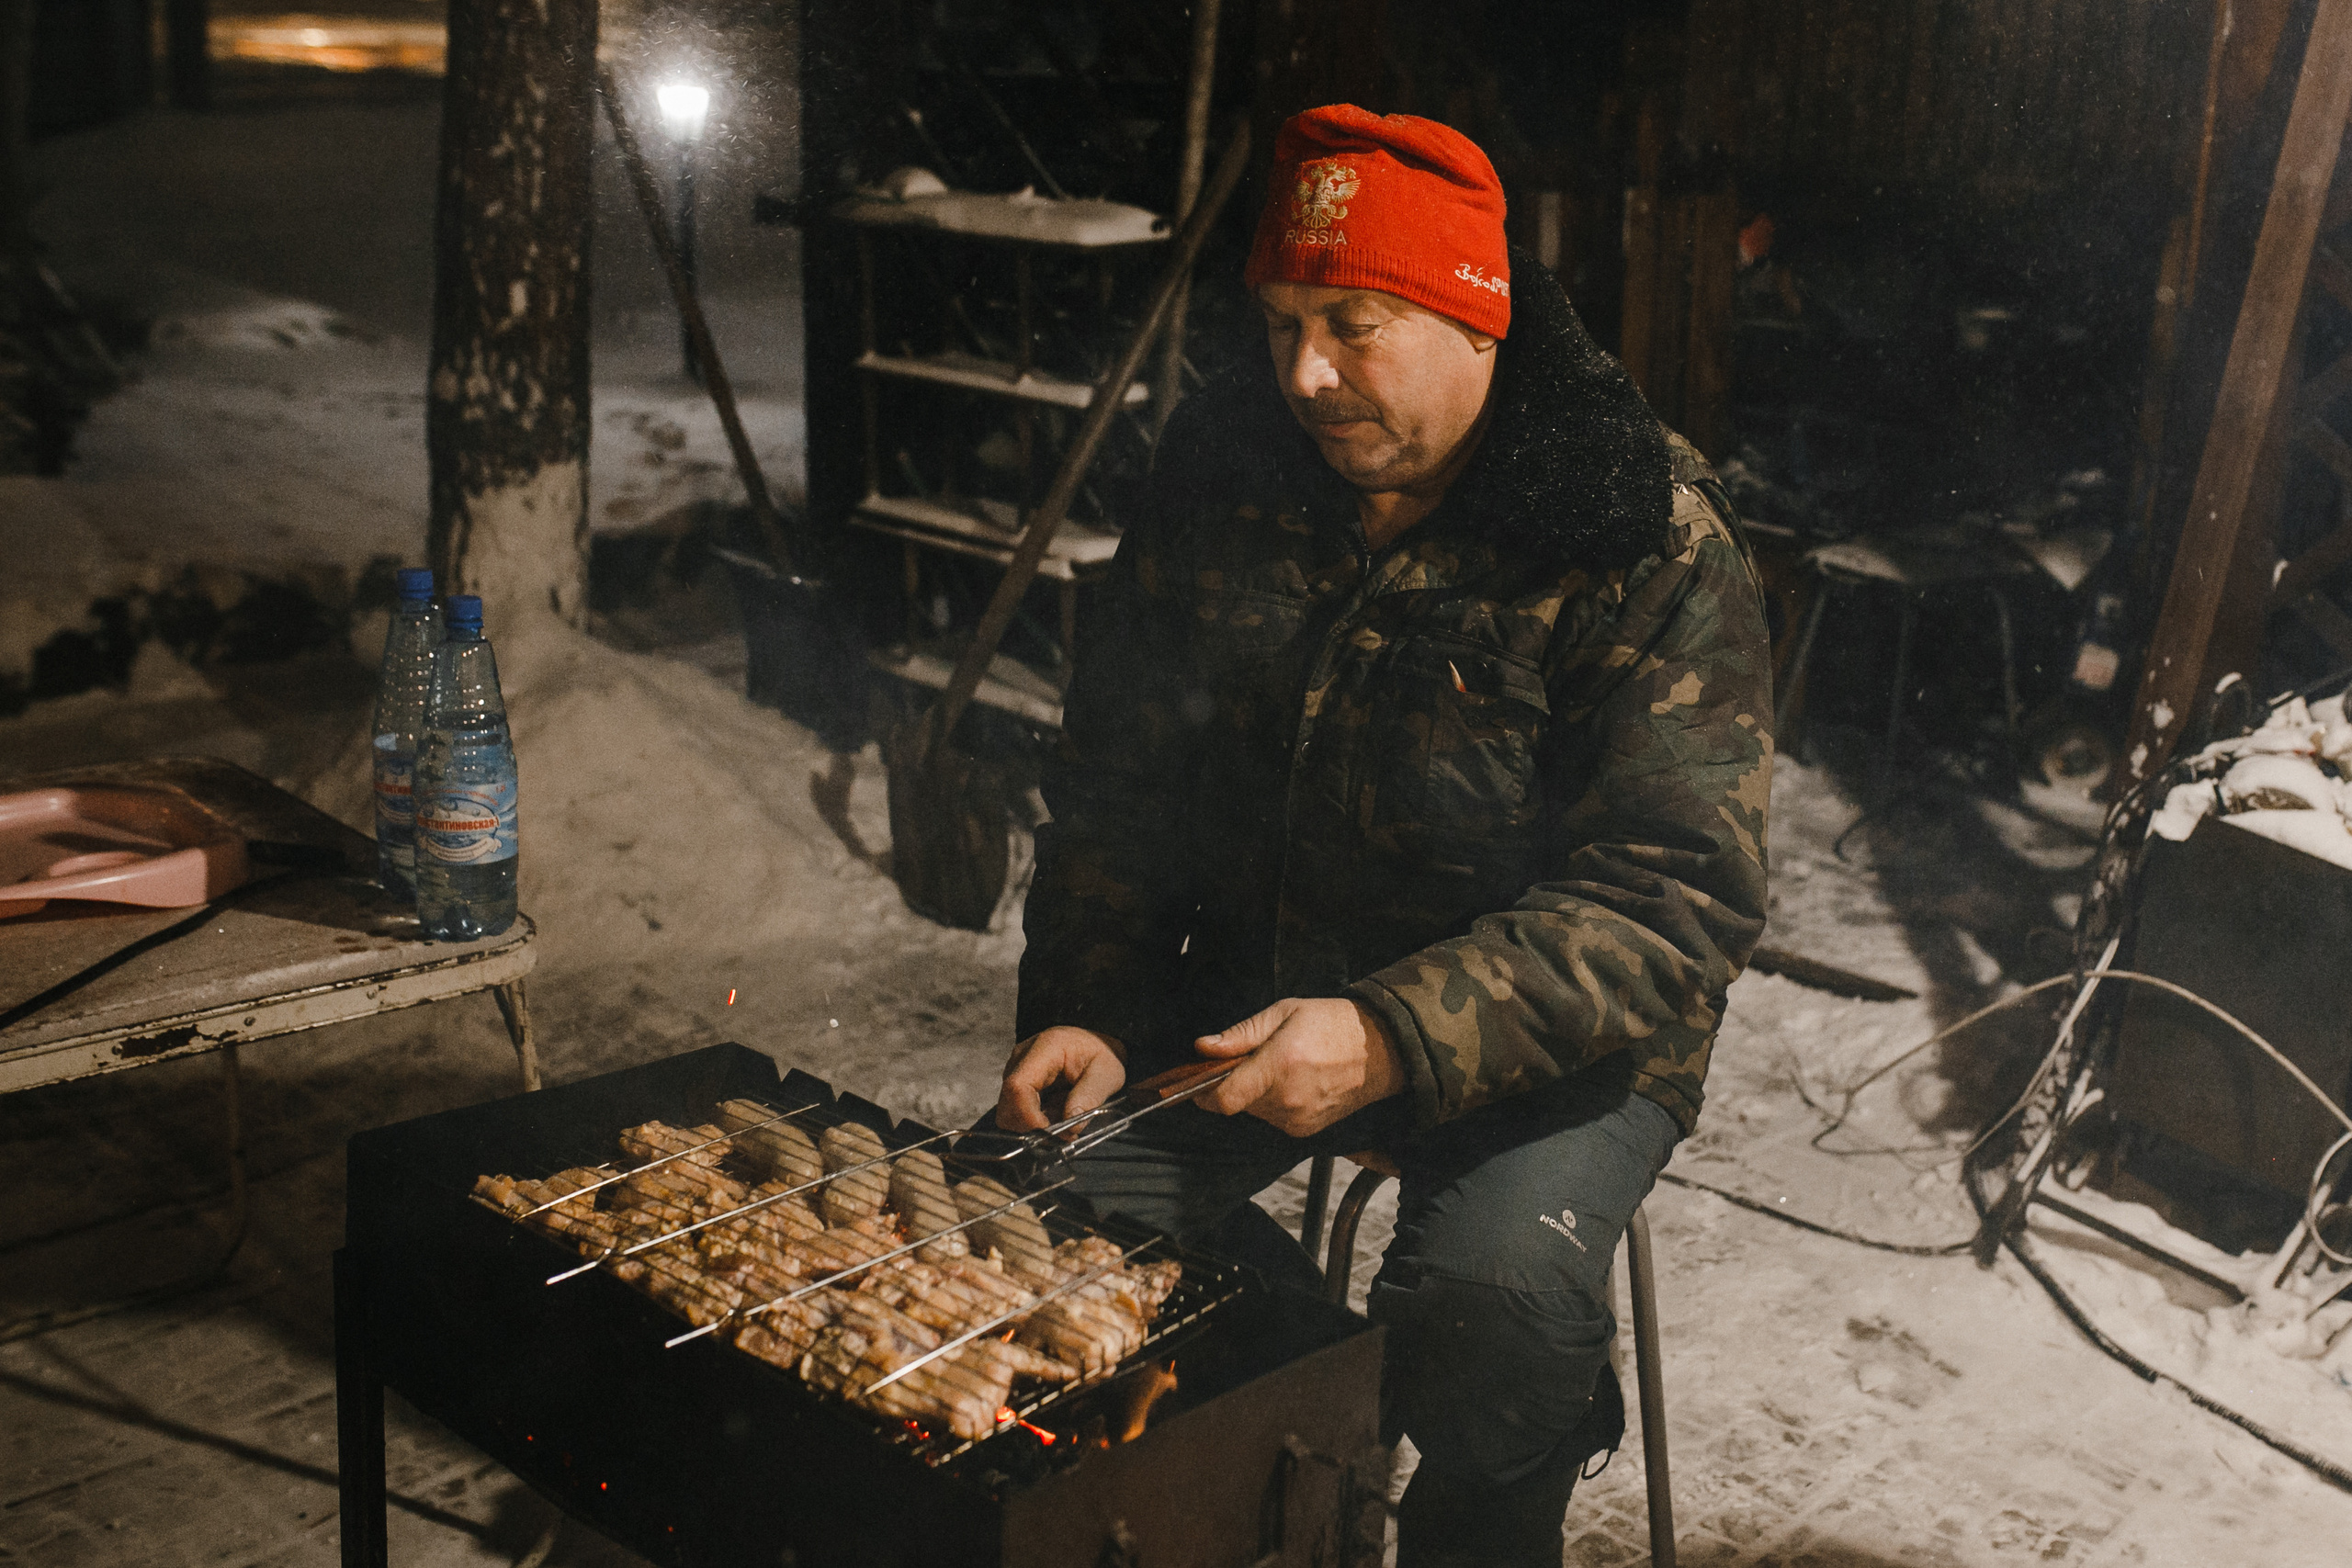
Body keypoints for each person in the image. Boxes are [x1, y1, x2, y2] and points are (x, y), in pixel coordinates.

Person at [1001, 104, 1772, 1568]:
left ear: (1474, 322)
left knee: (1487, 1320)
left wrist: (1389, 1034)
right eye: (1283, 321)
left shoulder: (1638, 527)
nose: (1305, 372)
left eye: (1355, 325)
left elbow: (1672, 897)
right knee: (1066, 1203)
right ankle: (1271, 1478)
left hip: (1556, 1043)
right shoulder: (1220, 475)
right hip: (1260, 976)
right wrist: (1091, 1002)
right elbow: (1119, 782)